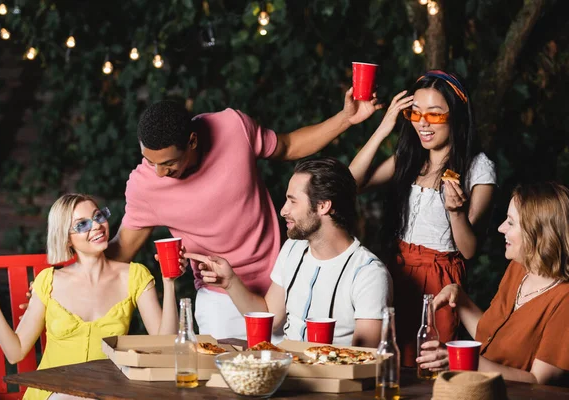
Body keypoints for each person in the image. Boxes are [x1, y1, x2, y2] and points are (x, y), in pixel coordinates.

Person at [106, 90, 383, 340]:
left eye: (168, 163)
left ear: (191, 141)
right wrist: (71, 252)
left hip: (283, 286)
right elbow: (120, 253)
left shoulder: (232, 127)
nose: (159, 173)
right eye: (150, 161)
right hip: (220, 299)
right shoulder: (145, 186)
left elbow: (287, 146)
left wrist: (346, 118)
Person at [0, 194, 185, 400]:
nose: (97, 226)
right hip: (53, 391)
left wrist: (169, 282)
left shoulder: (134, 276)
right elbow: (15, 353)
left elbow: (164, 347)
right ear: (66, 238)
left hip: (107, 391)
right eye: (82, 225)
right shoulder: (49, 282)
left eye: (98, 216)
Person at [349, 70, 496, 366]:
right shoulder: (411, 157)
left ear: (455, 116)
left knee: (428, 364)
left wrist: (455, 212)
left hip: (440, 281)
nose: (423, 123)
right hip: (397, 270)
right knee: (387, 358)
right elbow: (351, 183)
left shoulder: (478, 167)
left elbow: (468, 249)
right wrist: (383, 128)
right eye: (415, 114)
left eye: (435, 114)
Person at [186, 158, 392, 347]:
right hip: (287, 372)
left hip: (332, 380)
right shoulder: (293, 248)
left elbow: (365, 359)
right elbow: (270, 316)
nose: (283, 210)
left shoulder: (368, 274)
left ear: (323, 206)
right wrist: (230, 282)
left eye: (293, 201)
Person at [417, 182, 569, 386]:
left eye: (511, 222)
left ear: (539, 233)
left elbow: (538, 381)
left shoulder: (565, 300)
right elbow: (491, 336)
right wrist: (459, 298)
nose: (501, 228)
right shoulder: (518, 268)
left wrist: (459, 360)